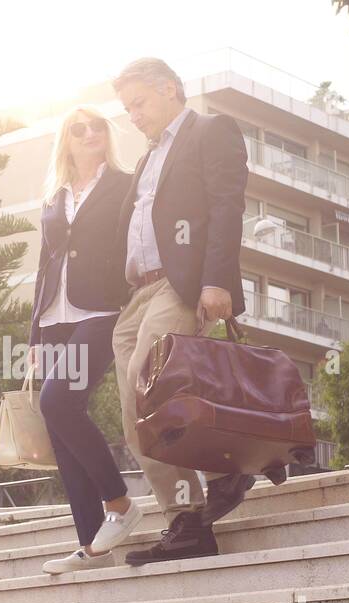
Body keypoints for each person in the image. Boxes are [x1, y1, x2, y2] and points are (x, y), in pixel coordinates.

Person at [109, 57, 255, 567]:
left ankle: (222, 474)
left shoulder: (210, 131)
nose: (133, 115)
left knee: (141, 380)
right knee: (133, 409)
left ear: (169, 89)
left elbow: (225, 204)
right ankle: (185, 518)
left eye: (139, 102)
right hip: (137, 296)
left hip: (180, 285)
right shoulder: (147, 159)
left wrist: (217, 281)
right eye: (126, 108)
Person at [28, 106, 144, 575]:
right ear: (67, 140)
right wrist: (34, 334)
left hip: (100, 311)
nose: (91, 132)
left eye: (98, 126)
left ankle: (120, 504)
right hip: (55, 317)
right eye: (80, 128)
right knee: (59, 426)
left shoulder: (123, 184)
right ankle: (92, 547)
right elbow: (42, 267)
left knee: (58, 403)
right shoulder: (54, 197)